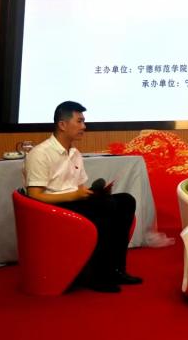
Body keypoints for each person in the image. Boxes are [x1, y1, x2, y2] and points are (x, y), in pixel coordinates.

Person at [24, 101, 141, 293]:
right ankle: (97, 275)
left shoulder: (75, 153)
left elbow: (79, 188)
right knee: (105, 207)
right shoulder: (40, 153)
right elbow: (34, 195)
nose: (84, 126)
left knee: (126, 201)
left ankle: (116, 269)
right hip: (53, 210)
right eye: (79, 121)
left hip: (74, 202)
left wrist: (94, 193)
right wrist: (76, 195)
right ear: (62, 125)